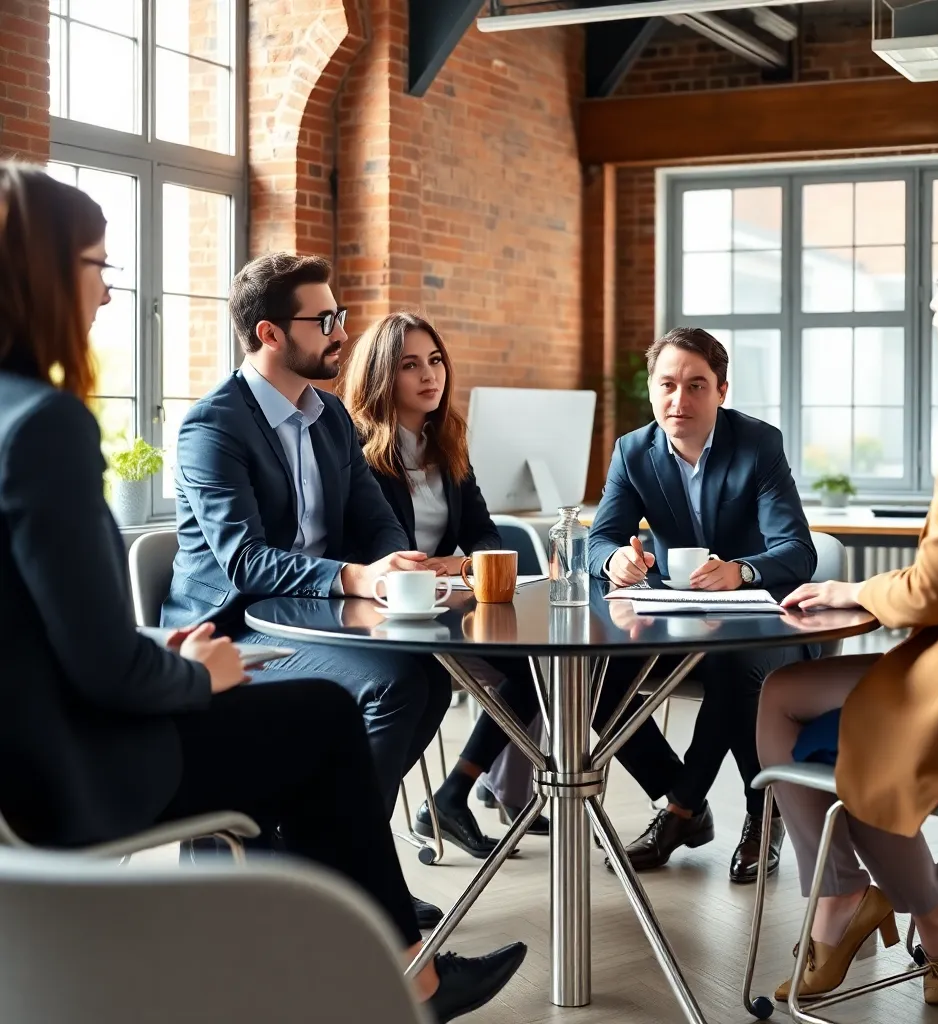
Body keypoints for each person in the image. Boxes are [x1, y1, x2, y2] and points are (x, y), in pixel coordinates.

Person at [0, 162, 526, 1022]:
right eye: (97, 265)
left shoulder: (324, 423)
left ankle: (355, 914)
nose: (104, 292)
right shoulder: (88, 424)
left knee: (399, 683)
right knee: (327, 715)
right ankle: (384, 949)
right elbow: (126, 646)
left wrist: (393, 569)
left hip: (49, 732)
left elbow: (44, 629)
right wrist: (190, 673)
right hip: (84, 753)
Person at [757, 212, 938, 1006]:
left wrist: (854, 592)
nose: (933, 297)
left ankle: (908, 911)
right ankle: (867, 899)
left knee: (824, 739)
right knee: (781, 693)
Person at [160, 253, 451, 927]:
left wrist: (398, 565)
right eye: (325, 320)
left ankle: (331, 862)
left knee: (432, 677)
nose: (341, 332)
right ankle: (341, 877)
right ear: (269, 334)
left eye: (340, 316)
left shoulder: (330, 418)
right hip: (234, 628)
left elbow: (373, 523)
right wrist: (355, 578)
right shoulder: (213, 427)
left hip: (317, 620)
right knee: (396, 684)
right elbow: (246, 561)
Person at [588, 327, 818, 883]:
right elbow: (599, 539)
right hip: (678, 626)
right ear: (651, 389)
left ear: (721, 390)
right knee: (592, 678)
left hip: (759, 632)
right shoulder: (632, 451)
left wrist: (741, 570)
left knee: (732, 668)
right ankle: (680, 796)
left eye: (696, 386)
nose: (679, 399)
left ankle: (707, 813)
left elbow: (797, 550)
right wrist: (613, 560)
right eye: (667, 384)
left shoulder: (758, 444)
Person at [343, 311, 548, 857]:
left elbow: (482, 537)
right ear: (384, 376)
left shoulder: (448, 445)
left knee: (540, 665)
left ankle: (454, 793)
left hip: (439, 605)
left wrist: (449, 568)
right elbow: (374, 555)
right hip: (385, 616)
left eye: (435, 361)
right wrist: (443, 569)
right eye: (410, 365)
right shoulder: (356, 452)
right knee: (517, 669)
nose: (429, 375)